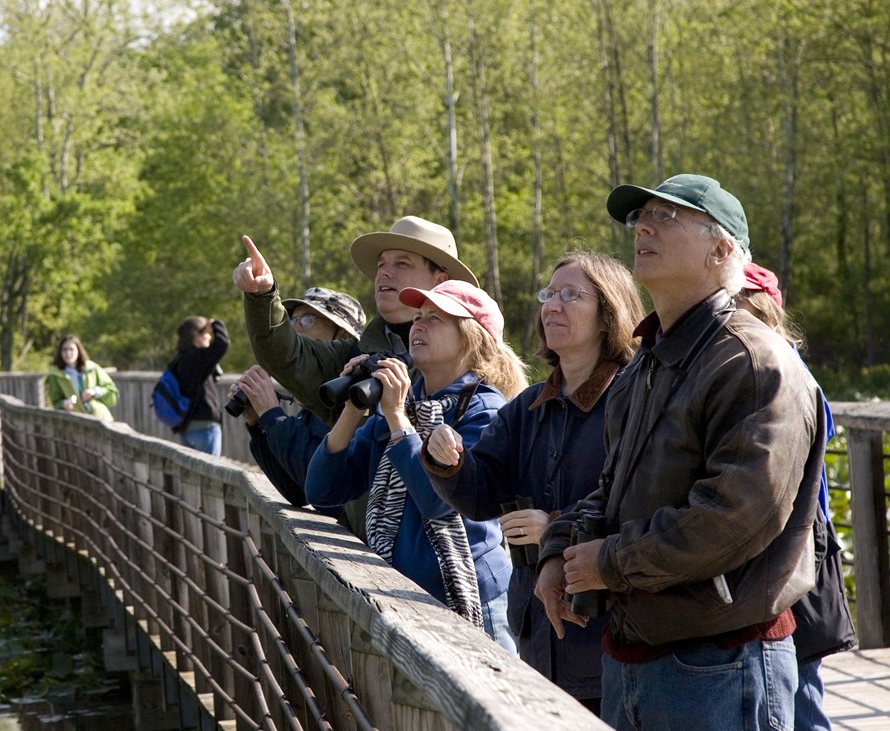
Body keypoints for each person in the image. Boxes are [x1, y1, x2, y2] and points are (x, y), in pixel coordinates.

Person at [535, 174, 827, 730]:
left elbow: (735, 518)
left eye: (668, 217)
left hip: (722, 664)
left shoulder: (751, 360)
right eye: (641, 217)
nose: (643, 225)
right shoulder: (647, 361)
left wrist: (611, 562)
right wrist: (560, 553)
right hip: (638, 656)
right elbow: (611, 490)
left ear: (722, 250)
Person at [420, 252, 644, 712]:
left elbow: (646, 505)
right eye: (549, 294)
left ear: (609, 314)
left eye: (571, 294)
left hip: (610, 638)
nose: (552, 305)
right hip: (536, 637)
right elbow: (480, 496)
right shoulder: (526, 406)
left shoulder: (634, 398)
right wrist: (446, 460)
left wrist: (556, 526)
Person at [305, 280, 524, 652]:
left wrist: (396, 420)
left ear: (471, 337)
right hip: (403, 595)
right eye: (418, 316)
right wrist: (354, 406)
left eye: (435, 318)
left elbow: (443, 503)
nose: (418, 325)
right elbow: (323, 490)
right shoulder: (405, 406)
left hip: (472, 600)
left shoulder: (487, 411)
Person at [233, 215, 477, 537]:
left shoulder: (474, 375)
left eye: (402, 263)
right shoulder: (354, 358)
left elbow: (460, 499)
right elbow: (286, 355)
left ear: (440, 280)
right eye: (381, 264)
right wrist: (263, 296)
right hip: (366, 561)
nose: (384, 272)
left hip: (447, 571)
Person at [737, 262, 857, 731]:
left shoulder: (785, 371)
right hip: (793, 540)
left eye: (742, 300)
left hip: (802, 543)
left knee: (802, 692)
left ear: (765, 307)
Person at [232, 287, 366, 512]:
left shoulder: (354, 397)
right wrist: (258, 424)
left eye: (308, 319)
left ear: (343, 336)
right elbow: (297, 490)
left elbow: (320, 486)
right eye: (292, 320)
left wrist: (272, 415)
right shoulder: (318, 395)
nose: (294, 328)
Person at [167, 316, 229, 456]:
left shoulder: (178, 360)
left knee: (192, 474)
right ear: (197, 336)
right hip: (205, 426)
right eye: (206, 334)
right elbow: (222, 343)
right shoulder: (197, 357)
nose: (209, 337)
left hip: (185, 426)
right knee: (210, 472)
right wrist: (216, 324)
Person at [44, 334, 119, 422]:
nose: (68, 353)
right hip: (76, 422)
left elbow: (113, 395)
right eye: (64, 350)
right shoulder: (55, 375)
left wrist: (95, 391)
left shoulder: (92, 369)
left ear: (78, 351)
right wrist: (64, 404)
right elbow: (55, 402)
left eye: (71, 349)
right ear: (60, 352)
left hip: (101, 419)